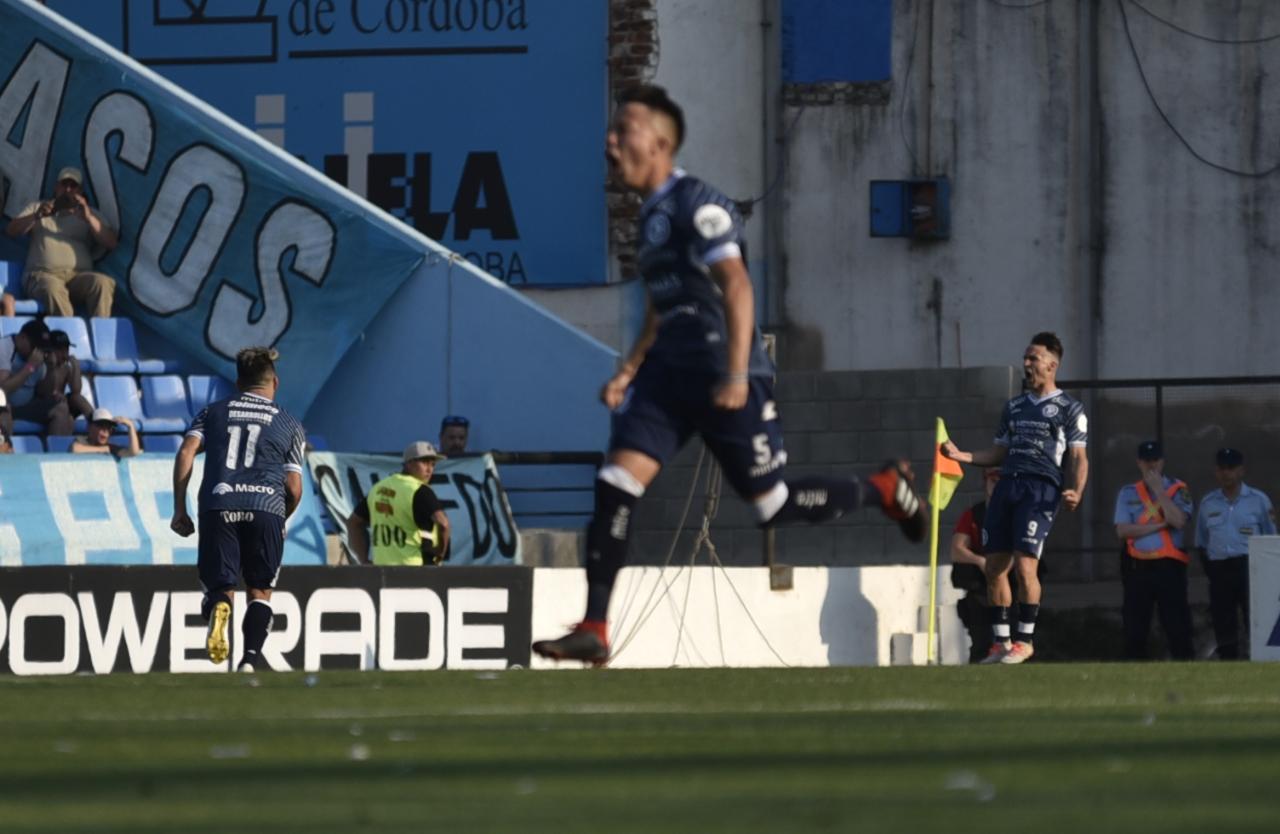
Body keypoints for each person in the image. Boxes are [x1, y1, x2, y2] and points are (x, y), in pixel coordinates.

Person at [532, 85, 926, 666]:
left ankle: (885, 489)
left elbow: (737, 285)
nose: (612, 141)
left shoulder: (699, 202)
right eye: (612, 131)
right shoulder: (649, 219)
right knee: (615, 482)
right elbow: (661, 304)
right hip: (668, 376)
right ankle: (595, 625)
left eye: (626, 129)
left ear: (662, 142)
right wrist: (632, 368)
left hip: (722, 370)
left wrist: (738, 372)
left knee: (772, 506)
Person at [941, 331, 1089, 665]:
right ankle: (1001, 644)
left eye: (1033, 358)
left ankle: (1025, 641)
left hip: (1040, 489)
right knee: (994, 568)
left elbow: (1079, 457)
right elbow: (998, 452)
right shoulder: (1014, 407)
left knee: (1025, 566)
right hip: (1008, 485)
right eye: (1025, 358)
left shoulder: (1070, 409)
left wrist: (1076, 491)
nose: (1026, 364)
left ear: (1052, 365)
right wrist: (961, 455)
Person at [169, 347, 306, 673]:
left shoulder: (212, 412)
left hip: (220, 503)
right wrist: (281, 518)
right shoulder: (289, 422)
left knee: (221, 587)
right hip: (266, 507)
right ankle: (248, 662)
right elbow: (294, 487)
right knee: (260, 591)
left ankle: (219, 606)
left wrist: (179, 508)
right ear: (275, 381)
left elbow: (187, 451)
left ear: (238, 382)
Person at [1114, 440, 1194, 660]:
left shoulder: (1178, 489)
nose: (1151, 466)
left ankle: (1184, 664)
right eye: (1147, 461)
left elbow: (1177, 520)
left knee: (1176, 624)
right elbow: (1123, 530)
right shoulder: (1128, 492)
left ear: (1162, 462)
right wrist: (1159, 526)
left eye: (1155, 461)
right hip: (1138, 567)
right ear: (1139, 462)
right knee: (1135, 626)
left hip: (1169, 567)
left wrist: (1160, 491)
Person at [1194, 447, 1276, 660]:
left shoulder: (1258, 500)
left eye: (1231, 468)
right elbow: (1201, 542)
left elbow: (1271, 539)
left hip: (1250, 567)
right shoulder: (1208, 503)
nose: (1226, 473)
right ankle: (1228, 662)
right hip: (1220, 568)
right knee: (1223, 619)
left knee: (1255, 618)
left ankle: (1259, 658)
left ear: (1241, 471)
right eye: (1222, 469)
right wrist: (1212, 569)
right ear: (1216, 471)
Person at [4, 166, 117, 318]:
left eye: (73, 186)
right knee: (53, 287)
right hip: (42, 275)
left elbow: (111, 242)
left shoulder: (89, 213)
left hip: (76, 278)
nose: (68, 189)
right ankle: (67, 338)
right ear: (56, 187)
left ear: (80, 191)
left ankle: (102, 336)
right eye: (64, 184)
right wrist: (36, 216)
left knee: (102, 283)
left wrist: (89, 218)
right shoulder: (38, 207)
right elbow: (11, 230)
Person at [345, 441, 452, 566]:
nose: (429, 469)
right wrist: (440, 553)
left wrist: (363, 560)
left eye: (433, 464)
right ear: (409, 464)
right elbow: (443, 523)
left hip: (383, 571)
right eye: (424, 462)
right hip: (417, 569)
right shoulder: (420, 490)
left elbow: (353, 523)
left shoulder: (378, 489)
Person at [950, 467, 1002, 663]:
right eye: (993, 481)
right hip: (981, 589)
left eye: (1002, 482)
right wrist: (980, 562)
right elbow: (957, 549)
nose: (997, 487)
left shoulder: (1017, 514)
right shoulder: (973, 515)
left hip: (1012, 588)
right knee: (981, 642)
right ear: (985, 483)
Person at [0, 318, 72, 438]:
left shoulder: (40, 357)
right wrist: (29, 368)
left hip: (26, 406)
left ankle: (56, 455)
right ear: (22, 337)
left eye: (42, 347)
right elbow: (2, 390)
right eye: (35, 346)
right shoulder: (4, 347)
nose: (38, 351)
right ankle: (4, 453)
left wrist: (51, 368)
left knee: (61, 410)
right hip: (5, 405)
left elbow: (45, 392)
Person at [37, 330, 94, 426]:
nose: (65, 354)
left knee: (77, 398)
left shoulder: (66, 367)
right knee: (60, 406)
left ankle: (95, 422)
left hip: (60, 402)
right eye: (60, 350)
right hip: (43, 405)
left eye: (66, 349)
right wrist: (52, 367)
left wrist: (75, 367)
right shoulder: (41, 365)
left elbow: (76, 391)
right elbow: (44, 391)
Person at [70, 408, 141, 458]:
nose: (105, 430)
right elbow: (75, 449)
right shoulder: (83, 441)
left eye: (109, 427)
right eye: (101, 425)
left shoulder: (110, 447)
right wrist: (102, 449)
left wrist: (131, 426)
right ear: (89, 427)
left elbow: (133, 452)